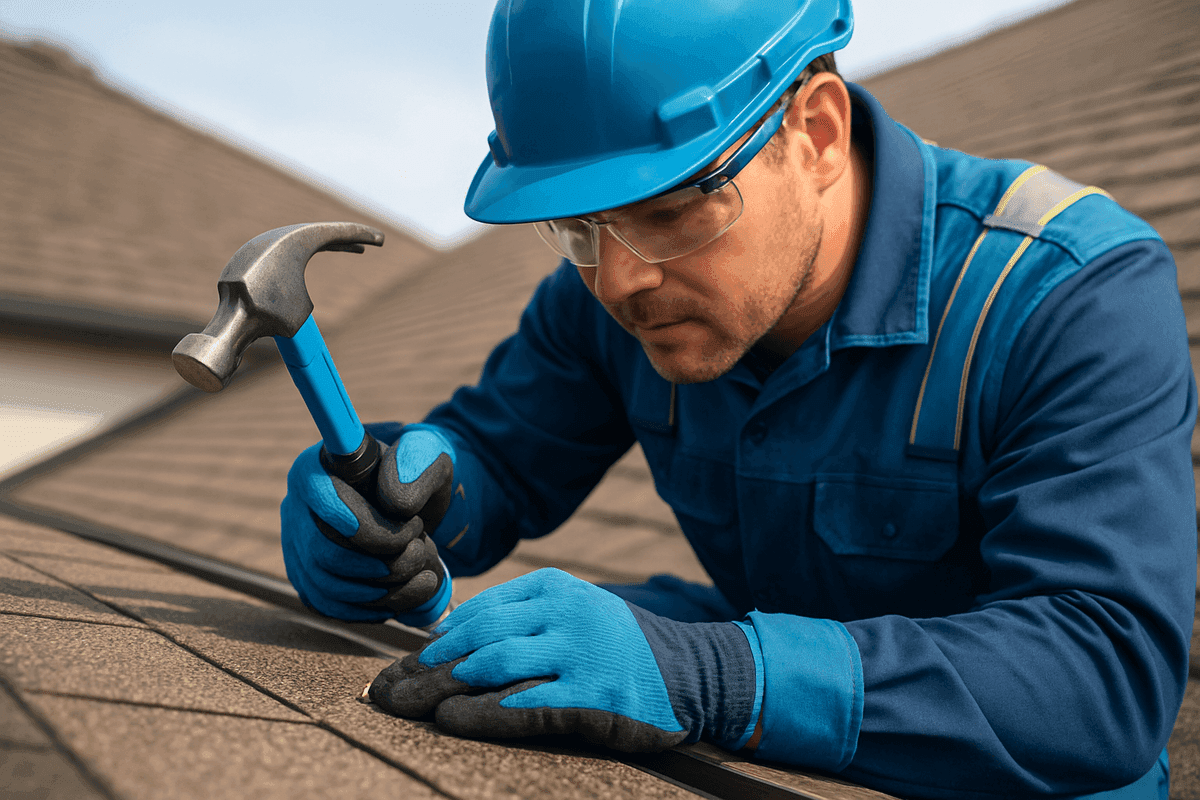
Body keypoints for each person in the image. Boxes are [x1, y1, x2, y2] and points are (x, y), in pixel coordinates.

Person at [279, 1, 1196, 797]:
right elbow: (498, 454)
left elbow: (1103, 674)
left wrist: (712, 675)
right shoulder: (608, 291)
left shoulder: (1068, 292)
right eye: (577, 224)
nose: (623, 281)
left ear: (818, 134)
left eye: (676, 209)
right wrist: (403, 503)